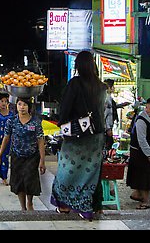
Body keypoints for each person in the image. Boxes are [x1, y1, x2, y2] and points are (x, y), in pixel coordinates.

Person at [50, 50, 108, 221]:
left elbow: (65, 109)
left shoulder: (75, 84)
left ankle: (65, 206)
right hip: (96, 137)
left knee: (67, 170)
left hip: (76, 135)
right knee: (89, 173)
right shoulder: (101, 86)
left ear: (78, 66)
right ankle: (87, 207)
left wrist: (62, 124)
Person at [0, 97, 46, 211]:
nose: (22, 107)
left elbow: (40, 139)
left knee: (29, 180)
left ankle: (30, 203)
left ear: (29, 107)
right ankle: (23, 207)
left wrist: (42, 160)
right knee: (19, 182)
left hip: (32, 156)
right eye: (19, 104)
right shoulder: (11, 121)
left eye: (24, 105)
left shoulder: (36, 122)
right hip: (16, 155)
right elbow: (6, 138)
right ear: (16, 106)